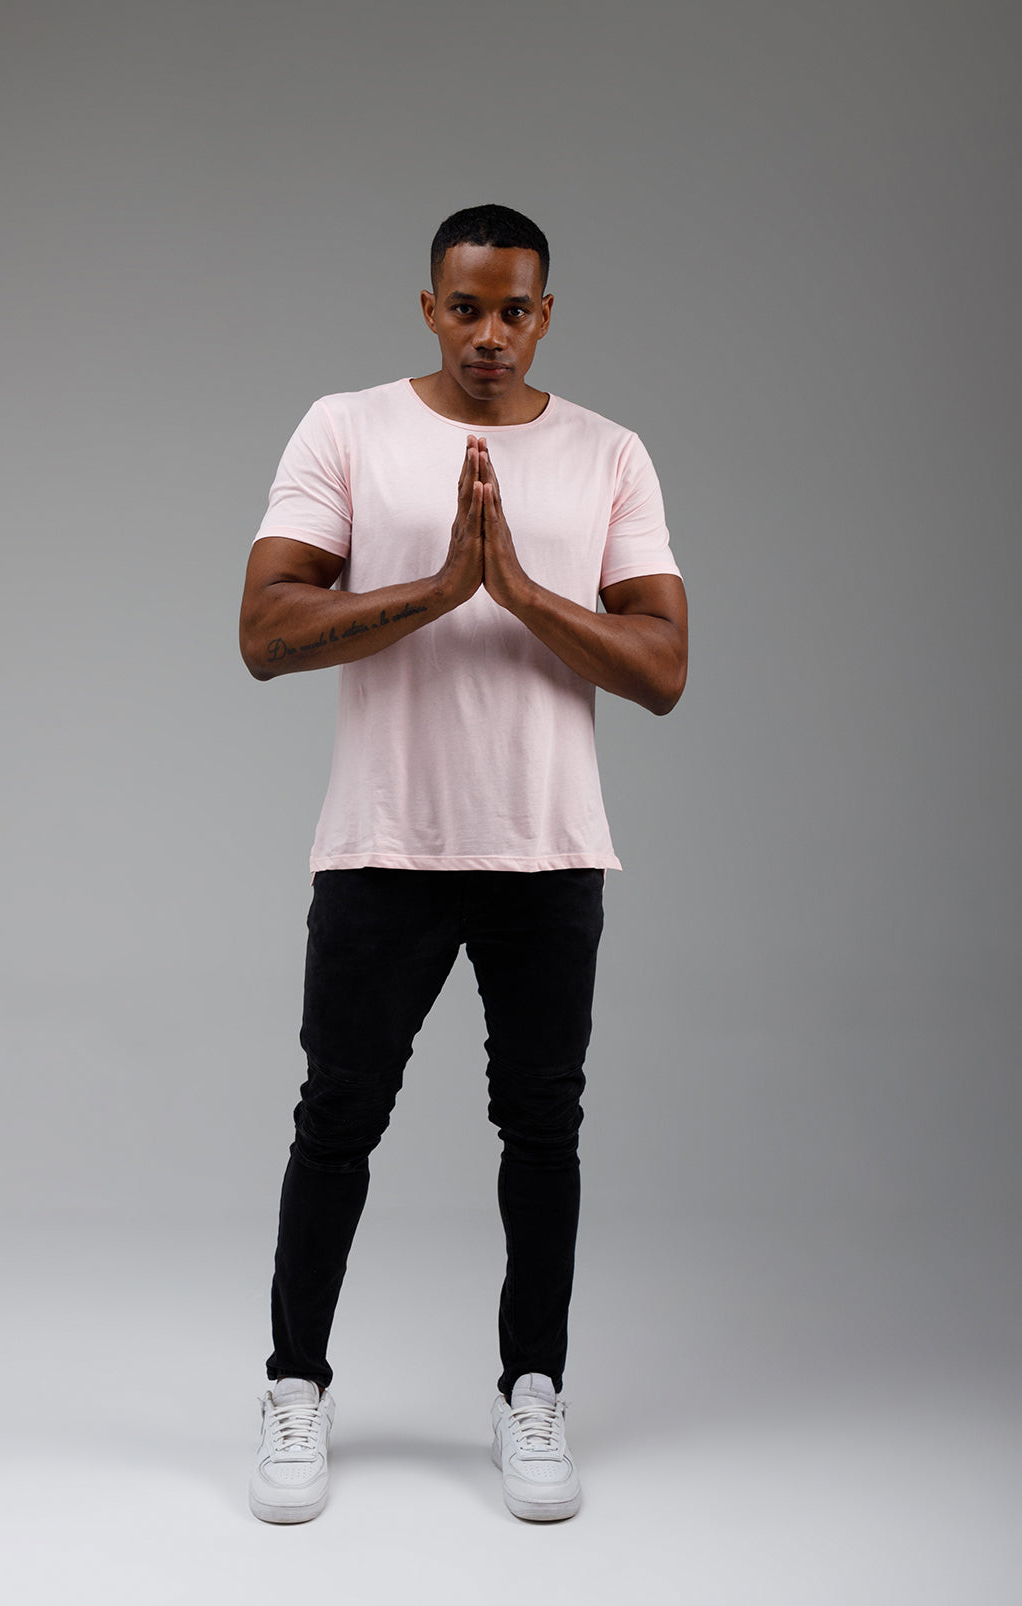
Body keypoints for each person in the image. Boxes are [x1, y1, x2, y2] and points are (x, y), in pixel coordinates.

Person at [238, 203, 688, 1524]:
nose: (490, 332)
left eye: (515, 309)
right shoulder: (347, 429)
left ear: (546, 315)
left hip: (547, 850)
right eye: (467, 306)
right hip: (384, 842)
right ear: (430, 306)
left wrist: (520, 591)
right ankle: (294, 1386)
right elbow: (263, 631)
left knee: (543, 1129)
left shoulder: (608, 453)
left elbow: (664, 669)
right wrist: (437, 590)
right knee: (337, 1121)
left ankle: (532, 1389)